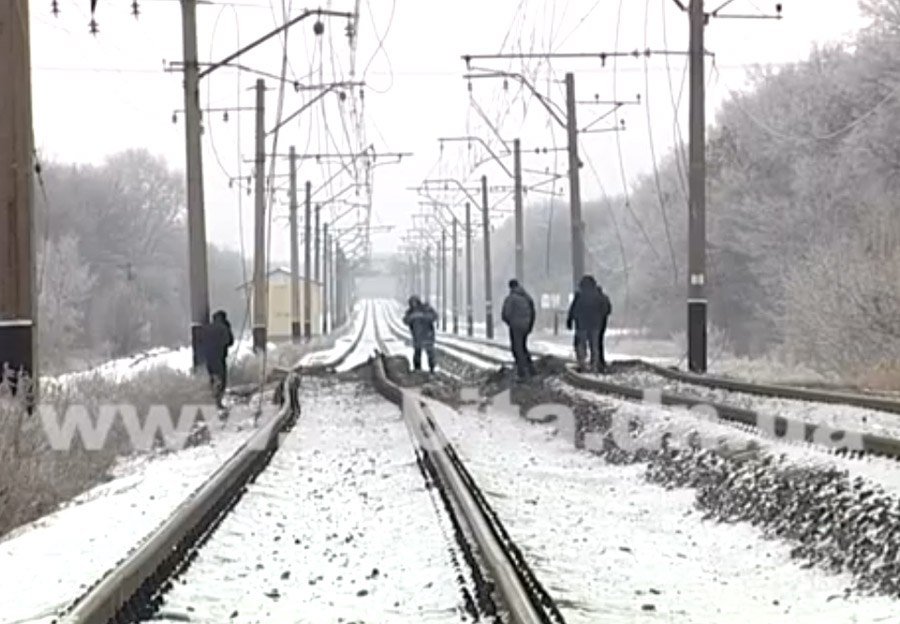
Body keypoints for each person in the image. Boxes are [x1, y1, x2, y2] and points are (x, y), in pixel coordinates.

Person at [566, 275, 612, 373]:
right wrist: (602, 319)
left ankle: (582, 365)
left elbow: (573, 310)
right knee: (594, 346)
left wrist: (570, 321)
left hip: (581, 325)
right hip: (596, 325)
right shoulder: (599, 295)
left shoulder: (579, 296)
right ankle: (594, 366)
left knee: (581, 345)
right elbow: (607, 309)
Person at [501, 279, 537, 381]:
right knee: (523, 346)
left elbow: (505, 314)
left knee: (517, 348)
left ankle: (522, 372)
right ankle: (531, 369)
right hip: (526, 326)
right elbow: (533, 311)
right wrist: (529, 325)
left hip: (515, 326)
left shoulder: (511, 298)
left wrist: (510, 323)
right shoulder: (527, 297)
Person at [203, 309, 235, 408]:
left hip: (208, 358)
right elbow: (230, 342)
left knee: (212, 378)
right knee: (221, 379)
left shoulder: (207, 327)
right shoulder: (223, 328)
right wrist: (228, 328)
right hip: (219, 357)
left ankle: (211, 401)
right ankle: (218, 402)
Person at [403, 295, 438, 373]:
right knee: (417, 353)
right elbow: (405, 320)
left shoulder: (426, 309)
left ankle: (432, 368)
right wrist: (412, 317)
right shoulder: (410, 312)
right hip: (417, 335)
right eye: (412, 303)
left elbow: (434, 316)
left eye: (414, 302)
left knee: (430, 352)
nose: (413, 304)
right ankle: (417, 368)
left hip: (427, 334)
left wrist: (423, 316)